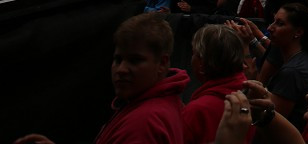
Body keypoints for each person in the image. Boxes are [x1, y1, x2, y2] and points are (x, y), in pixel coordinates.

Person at [16, 13, 190, 144]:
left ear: (162, 63)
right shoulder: (160, 103)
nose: (121, 69)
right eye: (118, 59)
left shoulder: (143, 124)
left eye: (135, 60)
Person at [182, 24, 250, 144]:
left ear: (202, 64)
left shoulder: (196, 111)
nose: (192, 58)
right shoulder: (253, 95)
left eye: (194, 53)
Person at [265, 3, 308, 130]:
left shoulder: (292, 72)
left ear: (298, 32)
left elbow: (270, 123)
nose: (270, 28)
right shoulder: (299, 59)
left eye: (280, 24)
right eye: (273, 21)